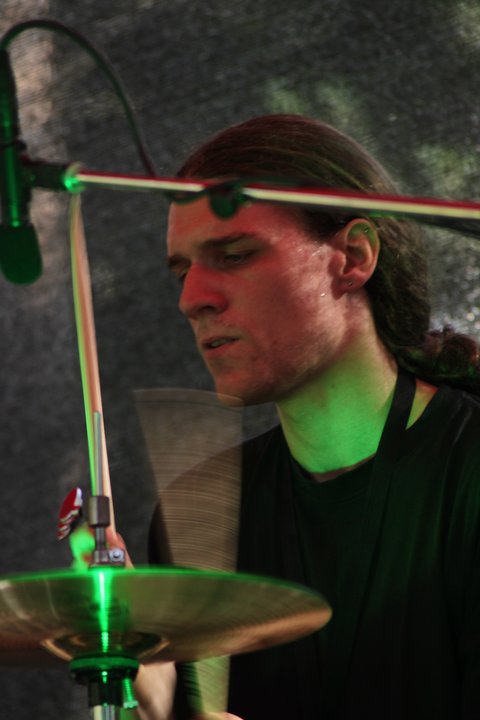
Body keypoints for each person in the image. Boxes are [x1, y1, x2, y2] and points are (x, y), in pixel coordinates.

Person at [99, 114, 480, 719]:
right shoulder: (202, 511)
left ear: (352, 256)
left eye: (234, 254)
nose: (192, 298)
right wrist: (150, 698)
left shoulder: (468, 472)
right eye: (183, 271)